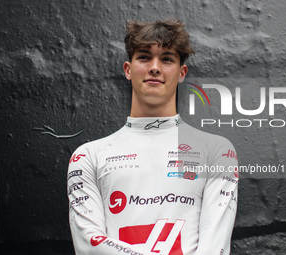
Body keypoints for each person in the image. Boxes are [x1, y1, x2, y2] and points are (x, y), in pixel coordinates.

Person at [67, 19, 238, 255]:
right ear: (128, 70)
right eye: (145, 57)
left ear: (181, 73)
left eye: (167, 59)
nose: (155, 67)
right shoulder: (88, 156)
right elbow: (89, 245)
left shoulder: (216, 150)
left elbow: (214, 246)